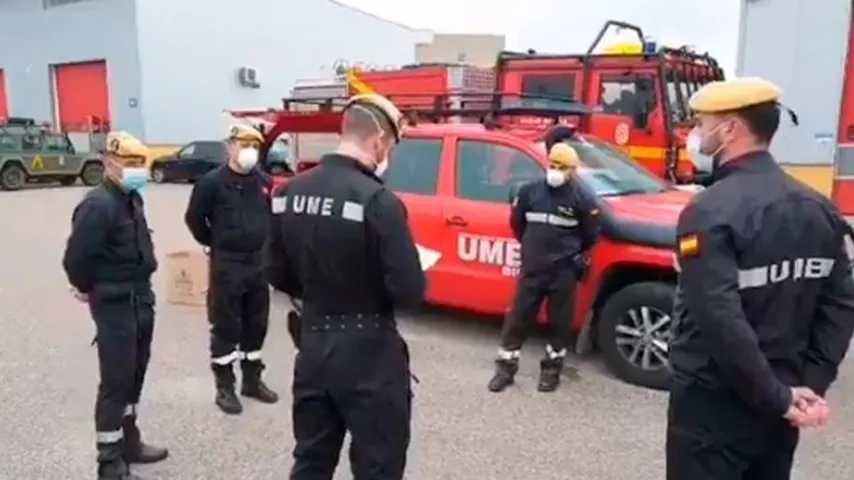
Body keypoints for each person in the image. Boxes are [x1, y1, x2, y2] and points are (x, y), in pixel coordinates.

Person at [667, 77, 854, 480]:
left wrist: (779, 397)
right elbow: (840, 306)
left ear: (730, 129)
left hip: (713, 410)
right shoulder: (819, 209)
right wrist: (807, 388)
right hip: (782, 405)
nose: (695, 135)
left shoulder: (709, 211)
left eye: (702, 123)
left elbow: (719, 319)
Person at [266, 93, 425, 479]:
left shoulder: (287, 193)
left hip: (314, 344)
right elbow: (408, 290)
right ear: (378, 142)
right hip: (369, 352)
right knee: (378, 465)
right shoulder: (379, 201)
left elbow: (276, 271)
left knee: (312, 460)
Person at [63, 131, 168, 480]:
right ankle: (109, 463)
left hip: (140, 298)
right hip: (115, 304)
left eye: (142, 163)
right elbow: (76, 259)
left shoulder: (130, 198)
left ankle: (129, 443)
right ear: (109, 162)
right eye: (130, 163)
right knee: (115, 382)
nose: (138, 170)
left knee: (134, 377)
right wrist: (86, 287)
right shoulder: (98, 205)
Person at [488, 137, 600, 393]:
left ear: (572, 171)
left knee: (560, 324)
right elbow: (518, 224)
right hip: (533, 268)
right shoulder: (530, 191)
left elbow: (590, 235)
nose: (556, 171)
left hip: (563, 271)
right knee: (517, 319)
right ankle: (505, 370)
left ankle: (551, 371)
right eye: (553, 164)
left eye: (562, 167)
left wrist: (568, 256)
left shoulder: (583, 198)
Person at [184, 125, 279, 414]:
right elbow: (195, 219)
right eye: (243, 143)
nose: (249, 149)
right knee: (226, 325)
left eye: (254, 144)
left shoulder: (264, 181)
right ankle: (224, 388)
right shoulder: (211, 183)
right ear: (229, 147)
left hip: (257, 263)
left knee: (257, 323)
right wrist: (214, 243)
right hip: (227, 264)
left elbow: (273, 217)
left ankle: (252, 380)